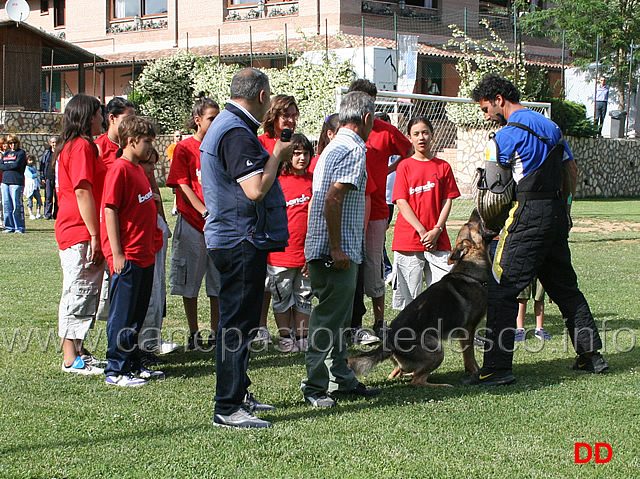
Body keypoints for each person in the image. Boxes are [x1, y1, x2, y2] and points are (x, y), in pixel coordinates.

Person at [464, 74, 608, 386]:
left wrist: (489, 225)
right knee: (565, 288)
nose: (486, 114)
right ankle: (591, 355)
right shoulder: (551, 127)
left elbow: (494, 192)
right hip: (556, 213)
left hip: (527, 217)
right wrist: (565, 211)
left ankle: (497, 369)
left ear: (499, 99)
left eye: (486, 108)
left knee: (502, 288)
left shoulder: (503, 138)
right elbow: (570, 169)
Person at [201, 67, 292, 429]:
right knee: (237, 325)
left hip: (234, 237)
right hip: (238, 240)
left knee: (240, 322)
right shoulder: (236, 131)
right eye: (269, 98)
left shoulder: (225, 124)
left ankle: (239, 394)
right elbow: (255, 189)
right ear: (261, 96)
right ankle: (227, 407)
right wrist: (278, 155)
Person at [301, 91, 381, 409]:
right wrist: (335, 248)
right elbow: (333, 199)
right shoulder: (352, 149)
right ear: (365, 118)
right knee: (328, 319)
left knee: (338, 321)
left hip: (330, 249)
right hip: (335, 253)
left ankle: (341, 379)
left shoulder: (333, 147)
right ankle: (315, 386)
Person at [346, 79, 413, 343]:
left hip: (375, 209)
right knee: (351, 264)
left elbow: (409, 151)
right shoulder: (341, 128)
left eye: (369, 100)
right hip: (349, 207)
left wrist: (389, 170)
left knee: (374, 264)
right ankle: (352, 323)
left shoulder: (385, 130)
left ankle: (379, 322)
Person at [102, 115, 163, 387]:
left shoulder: (139, 169)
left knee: (137, 314)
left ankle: (133, 363)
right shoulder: (120, 169)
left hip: (145, 254)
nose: (151, 146)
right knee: (123, 314)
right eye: (147, 141)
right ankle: (116, 369)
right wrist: (117, 253)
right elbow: (110, 209)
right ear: (130, 141)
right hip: (128, 256)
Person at [54, 94, 107, 375]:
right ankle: (70, 357)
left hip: (78, 229)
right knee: (78, 291)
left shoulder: (76, 146)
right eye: (99, 113)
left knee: (86, 292)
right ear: (88, 117)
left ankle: (79, 350)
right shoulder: (82, 147)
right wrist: (95, 235)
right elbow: (82, 190)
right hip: (79, 231)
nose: (103, 118)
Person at [166, 94, 221, 351]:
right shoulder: (184, 148)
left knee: (217, 283)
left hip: (217, 225)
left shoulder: (220, 145)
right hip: (192, 223)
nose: (216, 121)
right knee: (190, 282)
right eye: (212, 118)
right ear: (197, 120)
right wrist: (202, 211)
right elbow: (182, 183)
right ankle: (193, 332)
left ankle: (217, 331)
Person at [391, 116, 460, 310]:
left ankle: (435, 330)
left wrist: (436, 230)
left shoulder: (443, 166)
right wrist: (423, 232)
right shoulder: (404, 166)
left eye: (425, 132)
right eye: (416, 134)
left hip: (438, 239)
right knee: (409, 297)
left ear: (432, 135)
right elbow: (401, 201)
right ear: (410, 138)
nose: (421, 137)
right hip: (409, 239)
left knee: (443, 291)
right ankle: (408, 334)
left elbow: (448, 199)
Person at [256, 94, 300, 346]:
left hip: (289, 213)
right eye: (286, 115)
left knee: (286, 279)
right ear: (273, 117)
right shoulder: (260, 141)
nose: (291, 120)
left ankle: (294, 330)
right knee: (265, 276)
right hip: (264, 211)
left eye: (294, 115)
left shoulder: (297, 143)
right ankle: (260, 325)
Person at [266, 133, 313, 353]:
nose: (301, 158)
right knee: (282, 296)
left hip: (306, 254)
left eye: (305, 153)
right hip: (280, 254)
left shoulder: (314, 181)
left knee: (304, 296)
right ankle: (286, 336)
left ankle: (302, 336)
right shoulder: (277, 182)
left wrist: (311, 252)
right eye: (296, 154)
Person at [94, 97, 136, 322]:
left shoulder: (132, 147)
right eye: (127, 119)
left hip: (131, 226)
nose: (132, 124)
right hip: (106, 223)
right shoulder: (98, 148)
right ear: (112, 118)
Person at [138, 148, 179, 362]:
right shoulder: (128, 177)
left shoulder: (147, 182)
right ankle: (139, 349)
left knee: (156, 293)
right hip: (139, 248)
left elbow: (155, 202)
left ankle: (151, 343)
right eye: (149, 164)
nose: (153, 169)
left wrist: (162, 224)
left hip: (154, 239)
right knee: (144, 298)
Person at [1, 134, 27, 234]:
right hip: (5, 181)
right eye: (10, 143)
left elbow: (17, 165)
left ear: (18, 143)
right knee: (6, 205)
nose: (12, 145)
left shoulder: (21, 153)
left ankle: (19, 227)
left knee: (17, 206)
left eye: (14, 143)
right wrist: (9, 166)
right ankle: (9, 227)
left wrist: (6, 166)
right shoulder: (6, 154)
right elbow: (0, 165)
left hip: (16, 182)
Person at [40, 136, 58, 220]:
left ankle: (56, 214)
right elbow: (42, 165)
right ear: (50, 143)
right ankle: (47, 214)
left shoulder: (60, 153)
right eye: (53, 142)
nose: (54, 144)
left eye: (55, 142)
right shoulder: (47, 154)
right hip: (48, 177)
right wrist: (42, 177)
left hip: (58, 178)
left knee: (57, 197)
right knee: (48, 196)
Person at [166, 130, 182, 216]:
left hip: (181, 171)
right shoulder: (171, 147)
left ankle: (176, 208)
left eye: (180, 136)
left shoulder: (182, 146)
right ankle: (174, 208)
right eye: (177, 136)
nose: (179, 138)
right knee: (177, 191)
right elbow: (172, 160)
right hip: (176, 172)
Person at [24, 154, 43, 220]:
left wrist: (39, 180)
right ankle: (31, 213)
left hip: (35, 186)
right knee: (30, 200)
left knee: (39, 200)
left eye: (32, 160)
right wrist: (35, 175)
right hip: (29, 186)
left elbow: (36, 177)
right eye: (29, 160)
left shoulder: (34, 168)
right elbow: (31, 176)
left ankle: (38, 213)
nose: (31, 162)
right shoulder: (26, 168)